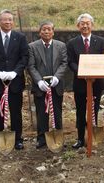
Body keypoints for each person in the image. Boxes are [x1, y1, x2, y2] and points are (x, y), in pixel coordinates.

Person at [0, 9, 28, 151]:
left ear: (13, 22)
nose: (8, 22)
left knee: (16, 111)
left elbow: (24, 57)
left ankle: (18, 140)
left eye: (10, 19)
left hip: (15, 82)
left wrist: (16, 72)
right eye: (5, 19)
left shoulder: (20, 38)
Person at [66, 13, 104, 149]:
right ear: (78, 26)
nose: (85, 25)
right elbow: (71, 62)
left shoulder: (101, 41)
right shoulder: (72, 43)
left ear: (92, 25)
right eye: (82, 23)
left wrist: (95, 74)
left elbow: (103, 60)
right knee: (80, 111)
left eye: (87, 23)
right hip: (80, 83)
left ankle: (92, 135)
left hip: (96, 83)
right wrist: (82, 73)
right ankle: (80, 138)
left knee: (94, 110)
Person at [27, 21, 68, 149]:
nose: (46, 31)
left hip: (56, 85)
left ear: (53, 32)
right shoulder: (32, 46)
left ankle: (58, 136)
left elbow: (64, 63)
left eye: (49, 29)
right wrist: (39, 81)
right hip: (40, 86)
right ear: (39, 32)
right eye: (43, 29)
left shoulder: (61, 46)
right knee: (41, 113)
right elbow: (31, 66)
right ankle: (41, 138)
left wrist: (57, 77)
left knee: (57, 111)